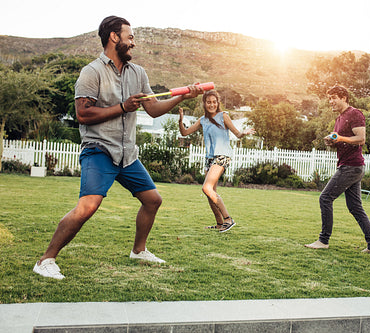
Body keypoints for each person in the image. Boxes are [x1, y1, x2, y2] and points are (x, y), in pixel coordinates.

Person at [33, 16, 203, 280]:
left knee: (152, 200)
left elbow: (154, 110)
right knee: (87, 206)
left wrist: (182, 96)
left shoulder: (139, 73)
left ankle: (138, 251)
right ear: (114, 37)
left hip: (127, 154)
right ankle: (46, 260)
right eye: (130, 36)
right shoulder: (92, 72)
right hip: (99, 150)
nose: (133, 42)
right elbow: (83, 114)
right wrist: (123, 106)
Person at [305, 85, 370, 254]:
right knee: (355, 207)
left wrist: (340, 137)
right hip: (349, 165)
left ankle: (323, 240)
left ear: (344, 97)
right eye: (329, 99)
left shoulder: (355, 114)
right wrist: (333, 141)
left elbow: (361, 139)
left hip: (351, 166)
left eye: (334, 98)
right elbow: (343, 140)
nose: (331, 102)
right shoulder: (339, 118)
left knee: (325, 198)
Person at [178, 90, 255, 232]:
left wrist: (243, 133)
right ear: (204, 104)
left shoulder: (223, 116)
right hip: (210, 158)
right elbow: (184, 133)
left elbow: (237, 134)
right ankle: (220, 223)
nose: (212, 104)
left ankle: (228, 219)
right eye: (209, 102)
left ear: (218, 103)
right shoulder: (203, 120)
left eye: (214, 102)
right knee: (210, 192)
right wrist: (180, 120)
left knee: (206, 188)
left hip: (222, 155)